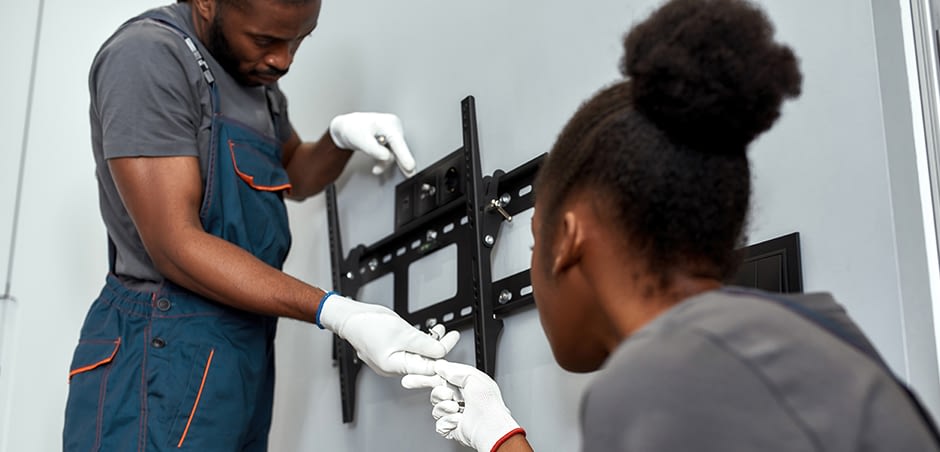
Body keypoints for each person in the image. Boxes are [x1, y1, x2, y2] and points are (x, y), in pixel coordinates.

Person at [402, 0, 940, 451]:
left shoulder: (659, 379)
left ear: (567, 240)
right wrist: (502, 438)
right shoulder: (819, 333)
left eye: (536, 239)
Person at [63, 0, 459, 450]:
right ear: (207, 4)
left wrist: (338, 139)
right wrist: (335, 311)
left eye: (299, 40)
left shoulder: (258, 80)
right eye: (266, 41)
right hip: (160, 348)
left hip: (240, 350)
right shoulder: (148, 57)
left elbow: (293, 172)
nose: (283, 60)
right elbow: (174, 244)